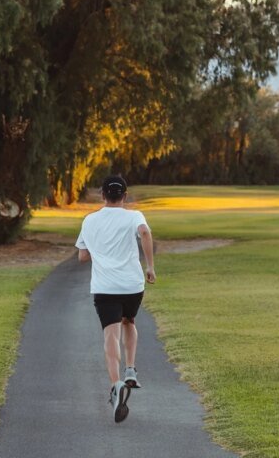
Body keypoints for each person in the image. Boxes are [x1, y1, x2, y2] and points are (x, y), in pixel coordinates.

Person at [75, 175, 156, 423]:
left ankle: (115, 384)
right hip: (132, 285)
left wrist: (100, 250)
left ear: (102, 195)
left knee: (111, 333)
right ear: (125, 195)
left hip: (105, 286)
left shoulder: (90, 220)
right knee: (129, 321)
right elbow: (144, 232)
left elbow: (82, 257)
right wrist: (150, 266)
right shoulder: (134, 217)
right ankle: (130, 368)